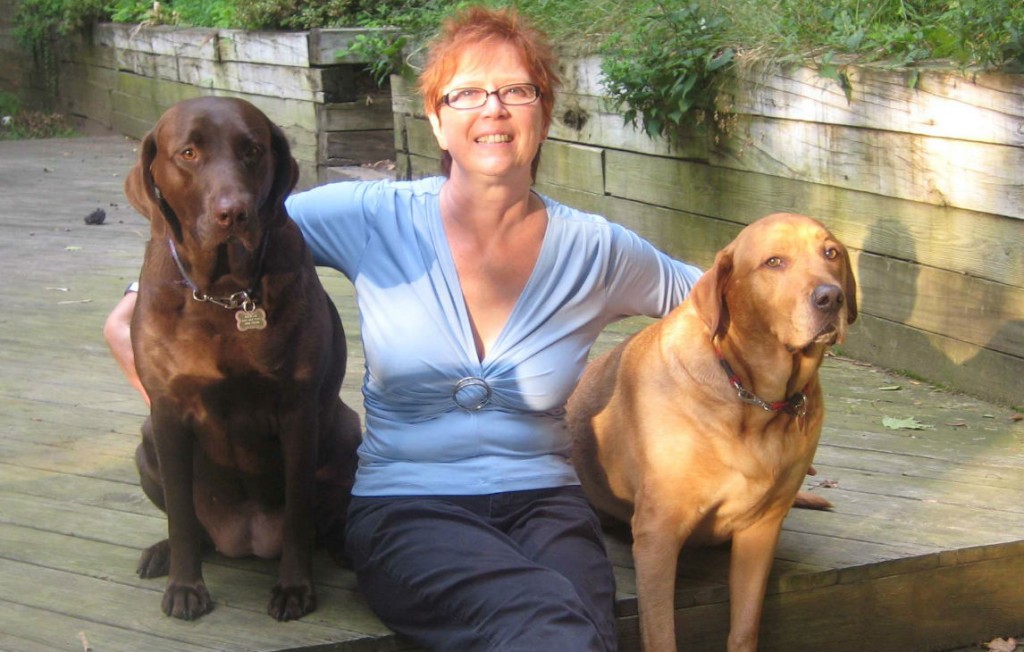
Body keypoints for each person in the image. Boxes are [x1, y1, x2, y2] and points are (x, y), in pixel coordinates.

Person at [105, 6, 702, 650]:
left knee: (579, 628)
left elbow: (726, 296)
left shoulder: (598, 250)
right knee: (553, 625)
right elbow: (198, 253)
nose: (494, 108)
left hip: (547, 504)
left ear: (544, 113)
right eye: (467, 93)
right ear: (437, 121)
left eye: (518, 91)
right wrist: (179, 351)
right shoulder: (372, 216)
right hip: (408, 509)